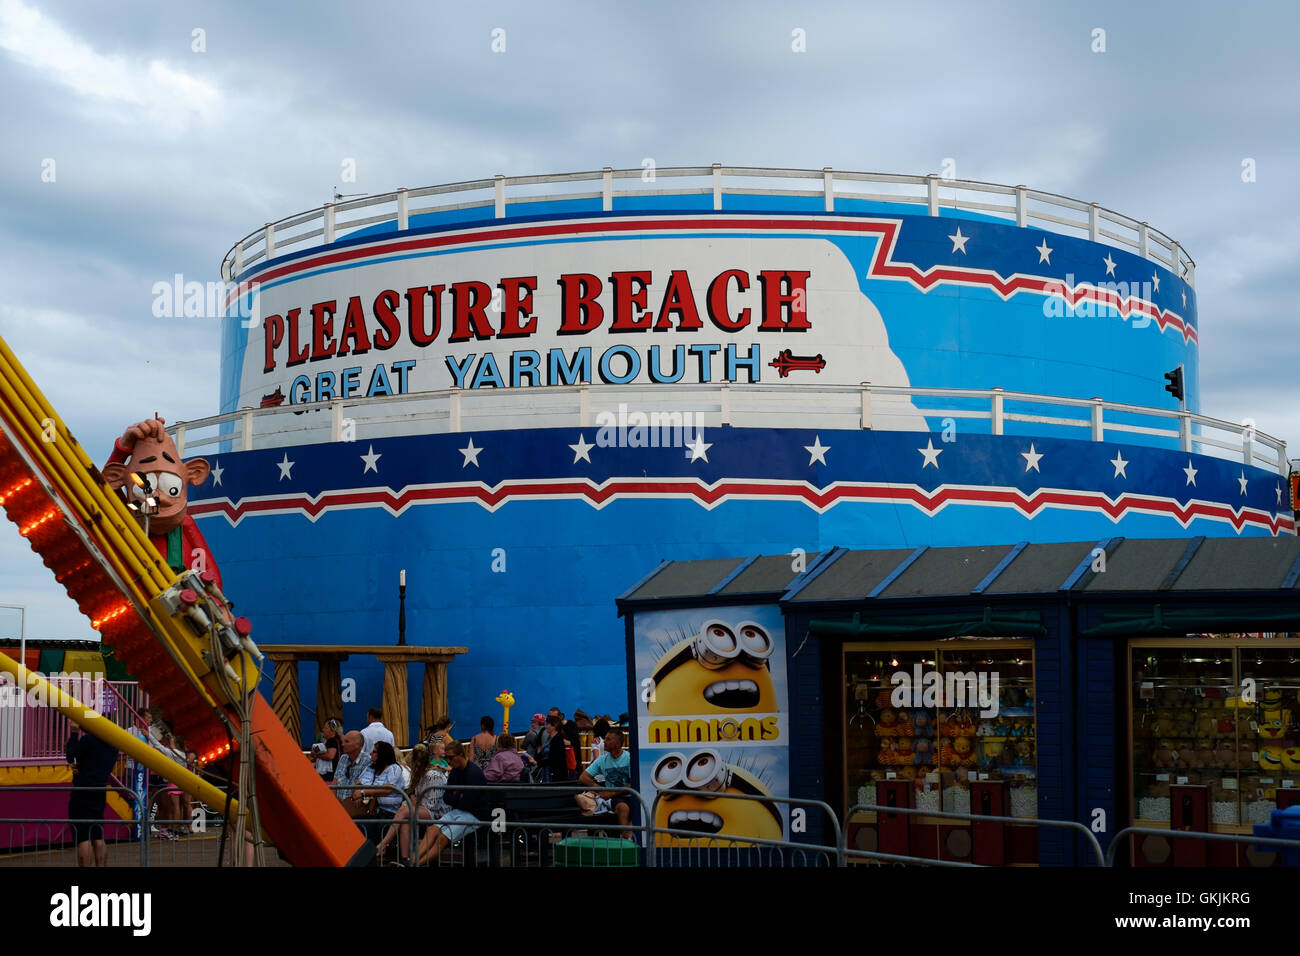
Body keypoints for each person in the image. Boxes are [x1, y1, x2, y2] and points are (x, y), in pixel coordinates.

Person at [375, 741, 449, 864]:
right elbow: (417, 798)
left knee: (404, 811)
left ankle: (383, 844)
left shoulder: (432, 775)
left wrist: (415, 804)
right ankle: (406, 859)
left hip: (438, 813)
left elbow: (433, 805)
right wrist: (415, 802)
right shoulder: (421, 775)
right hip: (425, 809)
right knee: (404, 821)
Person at [417, 740, 489, 864]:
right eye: (447, 758)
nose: (448, 761)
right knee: (431, 830)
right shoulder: (455, 772)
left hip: (474, 815)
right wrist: (458, 796)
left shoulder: (474, 773)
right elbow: (447, 797)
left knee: (442, 839)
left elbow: (467, 802)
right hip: (458, 811)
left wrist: (456, 796)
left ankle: (416, 864)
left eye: (450, 758)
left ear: (461, 755)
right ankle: (412, 860)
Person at [65, 727, 119, 866]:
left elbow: (71, 755)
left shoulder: (89, 740)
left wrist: (74, 733)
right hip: (100, 791)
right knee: (98, 835)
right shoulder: (113, 745)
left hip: (83, 791)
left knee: (83, 836)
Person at [577, 729, 634, 839]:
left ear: (617, 743)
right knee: (623, 807)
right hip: (617, 799)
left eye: (608, 739)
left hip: (630, 795)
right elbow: (583, 777)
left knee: (638, 807)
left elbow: (634, 783)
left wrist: (610, 793)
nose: (604, 742)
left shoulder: (629, 758)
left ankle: (629, 837)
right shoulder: (602, 760)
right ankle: (628, 839)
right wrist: (599, 789)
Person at [355, 741, 404, 843]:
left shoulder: (394, 769)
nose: (370, 754)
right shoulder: (370, 767)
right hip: (367, 809)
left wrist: (363, 792)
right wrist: (357, 793)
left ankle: (373, 854)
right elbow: (358, 783)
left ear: (382, 754)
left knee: (366, 829)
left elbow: (387, 790)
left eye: (374, 752)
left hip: (387, 812)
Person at [333, 731, 370, 800]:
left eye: (346, 742)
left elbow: (363, 786)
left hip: (354, 806)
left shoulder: (367, 760)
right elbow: (335, 783)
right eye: (343, 741)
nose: (342, 744)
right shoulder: (343, 758)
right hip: (339, 805)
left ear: (357, 745)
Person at [538, 714, 570, 783]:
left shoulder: (558, 740)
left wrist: (540, 762)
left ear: (554, 726)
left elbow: (556, 758)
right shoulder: (550, 738)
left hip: (554, 773)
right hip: (547, 770)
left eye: (547, 724)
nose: (545, 726)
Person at [312, 718, 343, 782]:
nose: (323, 730)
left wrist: (317, 755)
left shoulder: (332, 741)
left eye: (326, 728)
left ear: (332, 731)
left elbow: (330, 756)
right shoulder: (336, 740)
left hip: (330, 777)